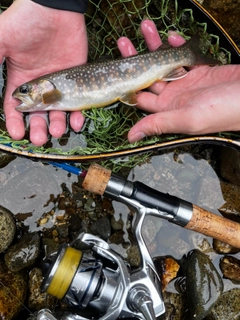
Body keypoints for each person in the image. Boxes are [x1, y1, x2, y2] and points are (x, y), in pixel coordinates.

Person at [1, 1, 239, 147]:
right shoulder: (50, 94)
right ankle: (183, 56)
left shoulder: (51, 94)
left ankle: (185, 54)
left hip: (132, 77)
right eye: (24, 90)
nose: (21, 95)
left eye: (25, 90)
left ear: (45, 89)